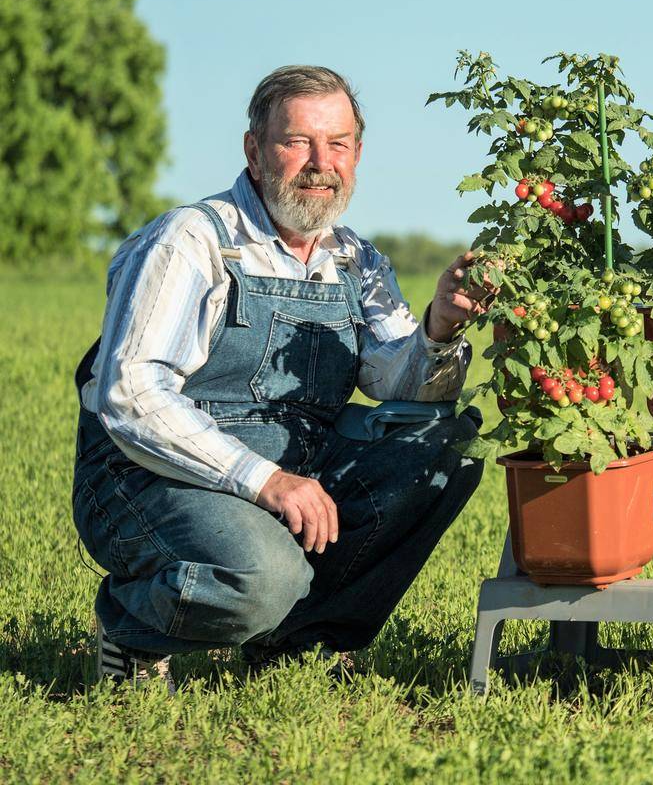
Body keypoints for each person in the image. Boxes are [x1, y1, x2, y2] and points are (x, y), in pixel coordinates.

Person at [73, 65, 490, 687]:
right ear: (254, 149)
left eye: (339, 144)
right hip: (153, 479)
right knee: (268, 577)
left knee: (446, 445)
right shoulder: (192, 241)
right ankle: (133, 627)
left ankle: (296, 642)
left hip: (290, 472)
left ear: (357, 154)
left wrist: (440, 327)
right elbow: (130, 394)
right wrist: (264, 480)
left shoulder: (355, 260)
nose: (321, 162)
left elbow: (398, 385)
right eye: (298, 142)